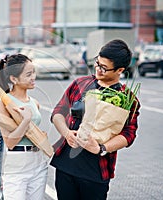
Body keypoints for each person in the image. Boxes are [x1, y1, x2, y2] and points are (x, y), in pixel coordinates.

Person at [50, 39, 141, 200]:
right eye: (97, 63)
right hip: (65, 166)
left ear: (120, 70)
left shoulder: (128, 98)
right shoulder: (80, 83)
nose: (98, 69)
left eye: (104, 68)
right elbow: (58, 112)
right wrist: (66, 133)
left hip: (95, 172)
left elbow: (129, 134)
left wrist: (101, 148)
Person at [0, 54, 49, 200]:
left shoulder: (34, 102)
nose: (33, 77)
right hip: (17, 163)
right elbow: (10, 142)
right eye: (28, 74)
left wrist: (41, 137)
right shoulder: (4, 103)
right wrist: (25, 121)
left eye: (34, 72)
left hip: (38, 161)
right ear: (14, 79)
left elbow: (32, 133)